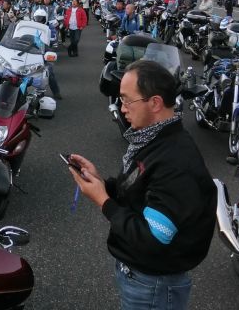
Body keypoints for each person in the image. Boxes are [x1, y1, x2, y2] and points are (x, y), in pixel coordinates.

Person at [68, 60, 216, 310]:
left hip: (153, 284)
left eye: (127, 100)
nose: (121, 108)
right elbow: (140, 190)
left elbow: (152, 238)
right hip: (142, 274)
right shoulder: (154, 138)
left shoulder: (175, 161)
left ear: (155, 103)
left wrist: (103, 201)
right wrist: (102, 183)